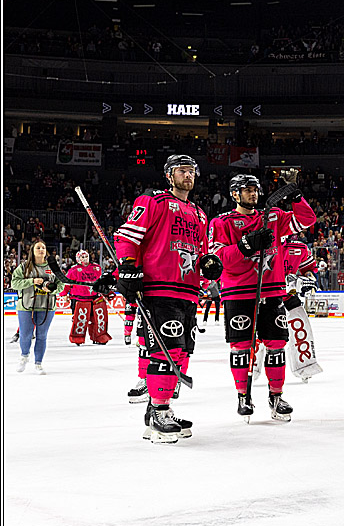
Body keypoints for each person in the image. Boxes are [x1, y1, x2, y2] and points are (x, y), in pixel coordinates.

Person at [109, 154, 216, 443]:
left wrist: (209, 265)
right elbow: (127, 237)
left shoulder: (200, 213)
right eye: (182, 170)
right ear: (169, 175)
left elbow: (202, 251)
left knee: (181, 353)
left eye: (191, 170)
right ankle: (159, 412)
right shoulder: (153, 202)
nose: (188, 175)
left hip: (188, 291)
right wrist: (129, 268)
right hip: (160, 288)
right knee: (165, 351)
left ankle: (158, 409)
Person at [208, 172, 316, 423]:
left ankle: (276, 396)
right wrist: (246, 245)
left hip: (271, 290)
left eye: (255, 189)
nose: (253, 193)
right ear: (234, 194)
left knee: (277, 344)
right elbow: (219, 260)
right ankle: (242, 395)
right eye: (247, 189)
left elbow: (307, 219)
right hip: (238, 291)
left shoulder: (273, 217)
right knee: (241, 347)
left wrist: (296, 195)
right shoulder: (221, 222)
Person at [11, 240, 64, 374]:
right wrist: (32, 281)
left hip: (47, 306)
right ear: (32, 251)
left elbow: (61, 285)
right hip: (26, 306)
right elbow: (14, 283)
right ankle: (24, 357)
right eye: (38, 247)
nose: (41, 250)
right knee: (25, 334)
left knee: (42, 335)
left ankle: (38, 363)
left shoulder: (53, 267)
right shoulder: (24, 267)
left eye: (43, 248)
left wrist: (51, 289)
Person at [62, 249, 112, 345]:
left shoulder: (97, 268)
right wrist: (64, 294)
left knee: (97, 319)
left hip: (94, 298)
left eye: (86, 257)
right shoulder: (73, 270)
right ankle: (77, 338)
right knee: (80, 319)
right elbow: (67, 284)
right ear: (78, 259)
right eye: (82, 257)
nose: (85, 259)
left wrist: (106, 292)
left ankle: (99, 337)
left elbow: (101, 282)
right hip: (78, 298)